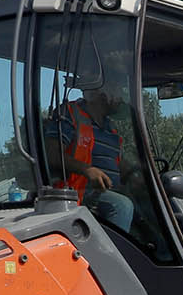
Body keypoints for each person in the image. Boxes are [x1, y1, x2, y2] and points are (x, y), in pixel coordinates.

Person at [44, 74, 137, 233]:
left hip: (108, 192)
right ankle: (110, 257)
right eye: (118, 90)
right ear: (103, 93)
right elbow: (52, 155)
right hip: (77, 193)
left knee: (152, 203)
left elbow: (118, 162)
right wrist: (87, 170)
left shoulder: (110, 128)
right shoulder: (70, 113)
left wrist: (139, 174)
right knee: (122, 206)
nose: (121, 98)